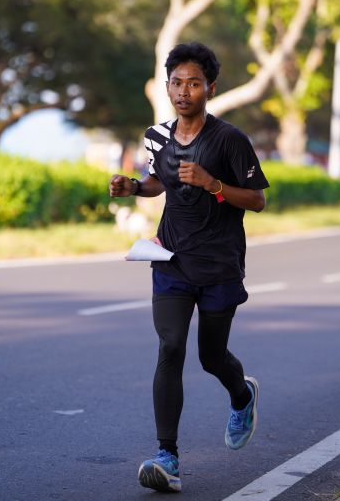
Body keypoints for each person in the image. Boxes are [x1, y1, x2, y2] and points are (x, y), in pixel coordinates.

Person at [109, 42, 269, 493]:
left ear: (210, 89)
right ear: (167, 87)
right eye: (177, 83)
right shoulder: (156, 136)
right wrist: (133, 187)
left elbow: (257, 200)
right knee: (171, 347)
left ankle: (242, 394)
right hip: (171, 261)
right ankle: (168, 457)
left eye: (193, 83)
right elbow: (157, 181)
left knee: (211, 356)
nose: (184, 91)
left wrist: (214, 184)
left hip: (218, 264)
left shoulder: (230, 140)